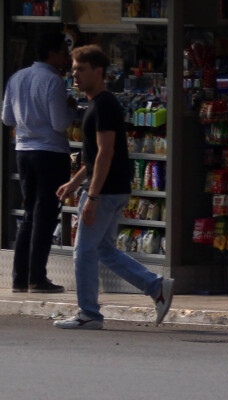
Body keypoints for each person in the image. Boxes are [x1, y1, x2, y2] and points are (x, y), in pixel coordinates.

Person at [53, 45, 173, 330]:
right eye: (73, 71)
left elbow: (106, 152)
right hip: (109, 188)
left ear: (98, 72)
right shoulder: (98, 104)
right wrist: (76, 181)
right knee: (104, 250)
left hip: (105, 191)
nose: (76, 77)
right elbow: (96, 155)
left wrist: (91, 196)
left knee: (83, 251)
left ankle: (89, 314)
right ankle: (155, 286)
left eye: (81, 70)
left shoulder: (104, 104)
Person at [2, 33, 74, 293]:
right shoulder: (53, 81)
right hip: (50, 152)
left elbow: (7, 118)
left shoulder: (16, 77)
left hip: (24, 151)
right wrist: (72, 110)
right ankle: (37, 277)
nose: (66, 58)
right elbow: (59, 123)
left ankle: (20, 277)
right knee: (45, 215)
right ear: (52, 53)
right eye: (63, 52)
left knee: (29, 213)